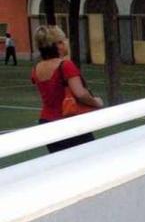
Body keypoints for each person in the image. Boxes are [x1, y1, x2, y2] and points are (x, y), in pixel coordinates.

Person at [31, 25, 104, 153]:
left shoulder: (36, 68)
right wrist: (96, 102)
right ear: (58, 44)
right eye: (63, 40)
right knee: (89, 158)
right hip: (68, 120)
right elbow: (80, 93)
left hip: (47, 121)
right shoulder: (66, 65)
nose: (66, 43)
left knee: (62, 163)